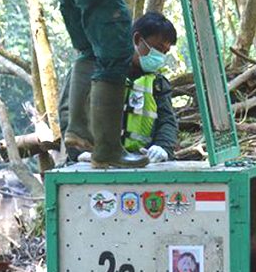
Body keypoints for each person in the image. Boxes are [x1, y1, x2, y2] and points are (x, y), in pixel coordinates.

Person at [20, 0, 207, 168]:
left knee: (89, 51)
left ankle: (78, 131)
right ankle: (107, 150)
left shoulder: (155, 82)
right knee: (118, 54)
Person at [62, 11, 179, 164]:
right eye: (158, 48)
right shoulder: (93, 69)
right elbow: (67, 111)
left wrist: (162, 147)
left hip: (141, 161)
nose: (160, 57)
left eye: (165, 52)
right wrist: (79, 153)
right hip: (91, 161)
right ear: (137, 39)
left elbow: (168, 121)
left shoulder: (158, 83)